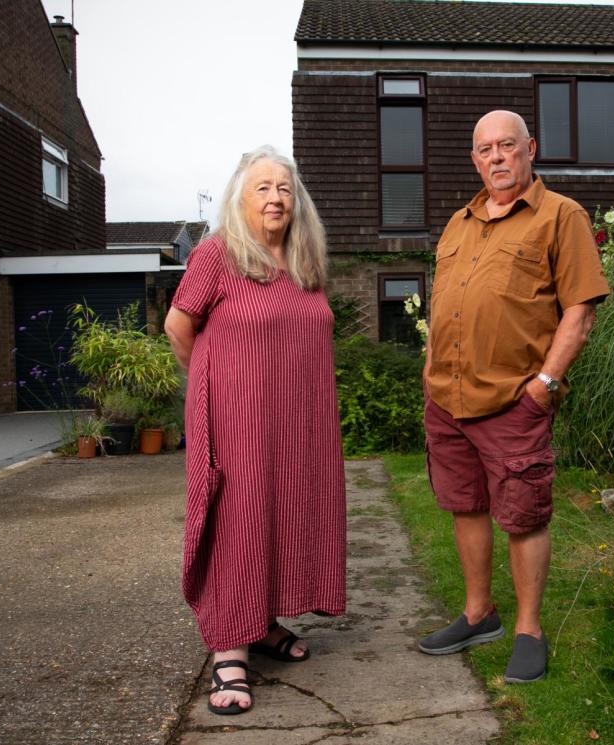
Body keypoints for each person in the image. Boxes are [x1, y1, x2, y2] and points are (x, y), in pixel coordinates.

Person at [417, 110, 610, 683]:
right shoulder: (459, 222)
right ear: (474, 159)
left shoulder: (560, 216)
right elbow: (444, 302)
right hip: (447, 399)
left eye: (506, 146)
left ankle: (528, 629)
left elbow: (580, 309)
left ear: (531, 148)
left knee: (523, 516)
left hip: (513, 400)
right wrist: (430, 368)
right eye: (484, 149)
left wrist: (544, 386)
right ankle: (479, 614)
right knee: (466, 505)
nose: (496, 157)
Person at [164, 146, 346, 715]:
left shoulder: (304, 261)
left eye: (285, 188)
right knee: (239, 519)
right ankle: (228, 651)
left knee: (283, 513)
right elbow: (178, 325)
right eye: (263, 187)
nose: (275, 197)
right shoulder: (219, 254)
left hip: (296, 423)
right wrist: (216, 389)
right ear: (241, 198)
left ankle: (262, 623)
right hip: (236, 420)